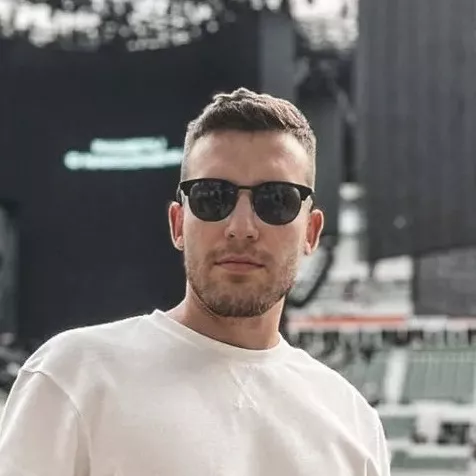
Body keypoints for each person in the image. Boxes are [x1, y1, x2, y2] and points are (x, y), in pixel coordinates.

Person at [0, 88, 390, 475]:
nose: (241, 227)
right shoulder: (72, 378)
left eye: (276, 200)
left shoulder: (353, 425)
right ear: (178, 224)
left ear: (311, 232)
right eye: (212, 197)